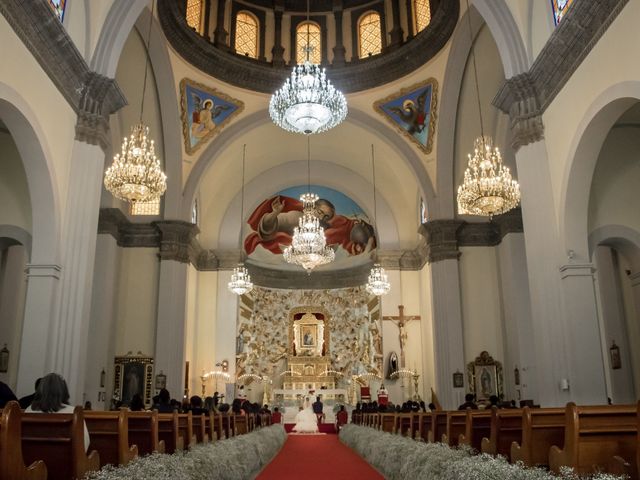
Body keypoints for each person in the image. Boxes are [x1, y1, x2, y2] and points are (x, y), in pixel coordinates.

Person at [26, 373, 90, 451]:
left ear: (40, 389)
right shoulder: (74, 413)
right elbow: (83, 445)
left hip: (32, 460)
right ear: (63, 391)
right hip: (65, 462)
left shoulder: (28, 411)